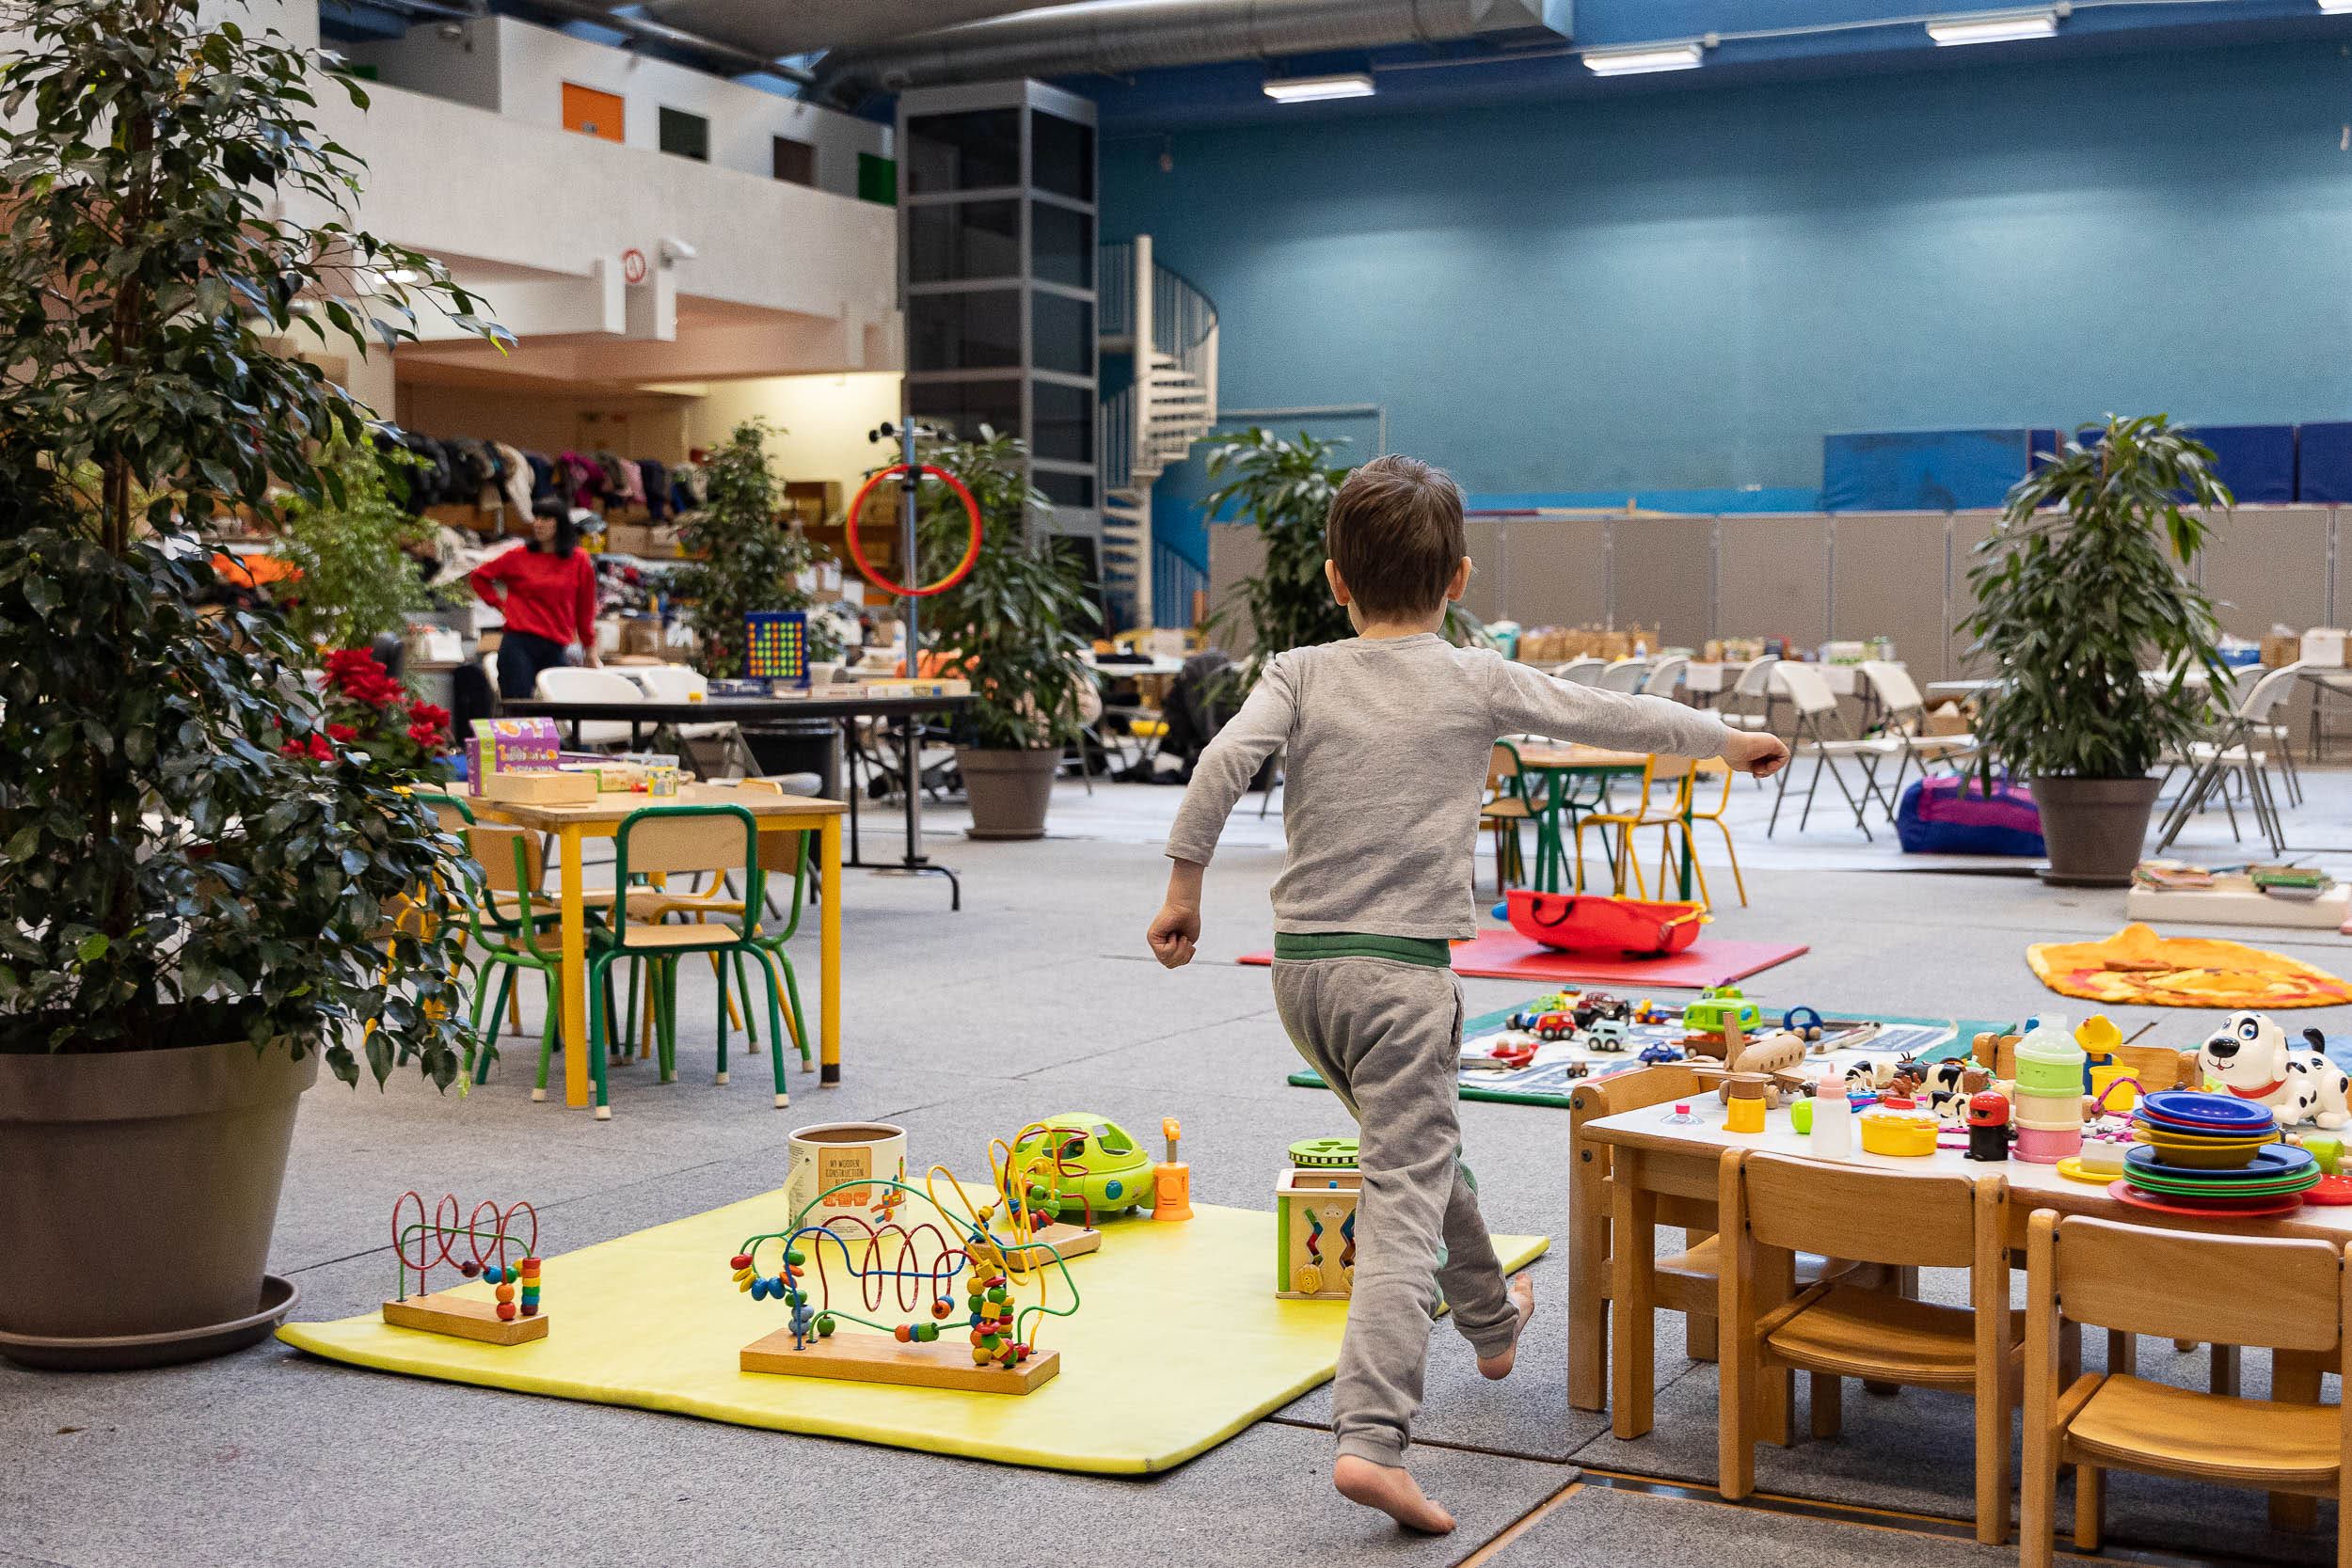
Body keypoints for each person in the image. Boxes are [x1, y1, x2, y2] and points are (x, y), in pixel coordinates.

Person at [1145, 455, 1788, 1535]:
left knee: (1420, 1153)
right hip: (1401, 979)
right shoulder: (1475, 674)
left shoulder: (1300, 670)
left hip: (1302, 975)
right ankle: (1370, 1438)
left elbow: (1219, 763)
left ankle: (1491, 1319)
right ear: (1458, 578)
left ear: (1333, 577)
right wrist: (1727, 741)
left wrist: (1182, 887)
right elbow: (1613, 714)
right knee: (1401, 1200)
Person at [471, 499, 600, 700]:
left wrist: (590, 649)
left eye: (547, 518)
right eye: (537, 517)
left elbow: (585, 609)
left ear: (561, 523)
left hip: (556, 644)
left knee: (561, 706)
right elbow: (479, 576)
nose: (539, 523)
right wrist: (499, 605)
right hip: (518, 642)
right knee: (518, 707)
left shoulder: (579, 560)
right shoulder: (518, 556)